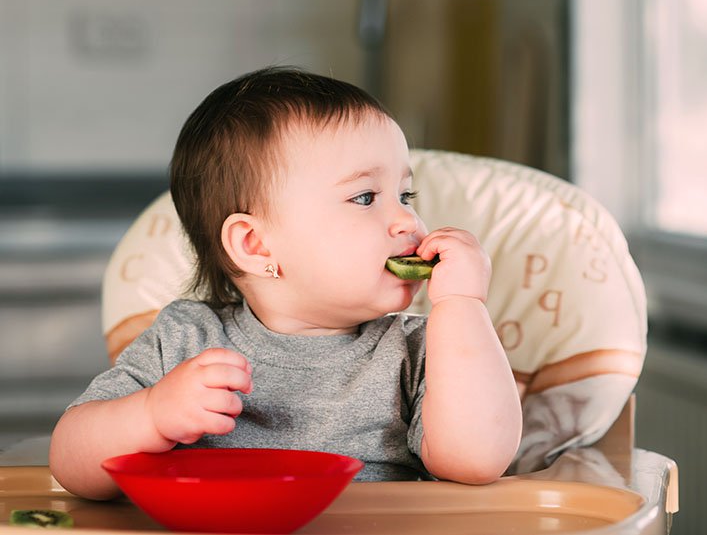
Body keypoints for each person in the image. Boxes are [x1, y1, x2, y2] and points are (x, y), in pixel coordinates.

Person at [49, 67, 523, 500]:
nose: (407, 220)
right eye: (365, 197)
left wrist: (462, 305)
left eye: (405, 194)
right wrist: (151, 414)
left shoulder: (420, 348)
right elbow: (71, 463)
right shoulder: (185, 339)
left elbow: (476, 461)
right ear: (256, 245)